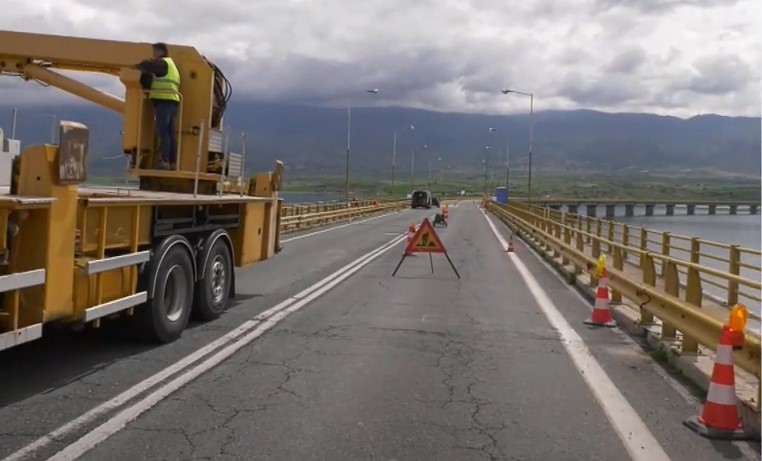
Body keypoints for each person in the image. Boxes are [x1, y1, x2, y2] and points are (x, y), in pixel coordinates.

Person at [134, 42, 181, 170]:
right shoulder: (172, 66)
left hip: (164, 101)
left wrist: (139, 66)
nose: (153, 54)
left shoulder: (163, 63)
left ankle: (164, 160)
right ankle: (171, 161)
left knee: (163, 132)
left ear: (160, 51)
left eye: (154, 51)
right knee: (170, 133)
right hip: (172, 102)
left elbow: (150, 65)